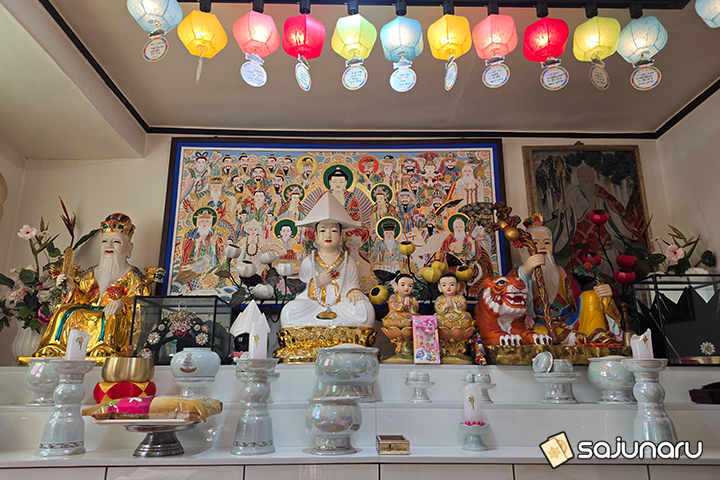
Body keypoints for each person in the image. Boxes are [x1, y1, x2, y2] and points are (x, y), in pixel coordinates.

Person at [34, 213, 157, 358]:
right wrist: (72, 287)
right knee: (64, 311)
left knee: (110, 315)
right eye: (104, 241)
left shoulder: (133, 276)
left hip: (112, 319)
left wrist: (121, 303)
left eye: (116, 242)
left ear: (129, 248)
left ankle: (104, 347)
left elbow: (140, 301)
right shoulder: (90, 274)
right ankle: (55, 347)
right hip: (88, 312)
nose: (109, 246)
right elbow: (81, 298)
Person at [518, 219, 622, 345]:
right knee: (534, 334)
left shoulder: (562, 273)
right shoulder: (517, 274)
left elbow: (579, 300)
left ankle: (596, 334)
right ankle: (573, 338)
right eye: (535, 243)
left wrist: (602, 294)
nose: (542, 247)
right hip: (540, 326)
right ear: (522, 251)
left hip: (569, 321)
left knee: (591, 296)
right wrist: (525, 272)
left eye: (547, 242)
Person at [279, 193, 374, 328]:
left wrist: (354, 292)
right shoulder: (309, 262)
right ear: (316, 237)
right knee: (289, 311)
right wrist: (317, 283)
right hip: (313, 306)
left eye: (334, 231)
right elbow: (301, 292)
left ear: (341, 237)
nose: (328, 235)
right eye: (323, 231)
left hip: (342, 306)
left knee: (365, 309)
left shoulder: (348, 261)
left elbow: (352, 285)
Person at [554, 164, 630, 270]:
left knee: (604, 249)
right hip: (580, 228)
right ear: (578, 178)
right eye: (583, 176)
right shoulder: (574, 191)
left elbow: (611, 204)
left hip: (600, 226)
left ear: (593, 177)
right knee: (580, 251)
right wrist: (569, 209)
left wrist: (599, 201)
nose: (586, 179)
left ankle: (607, 272)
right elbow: (568, 206)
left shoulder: (600, 190)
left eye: (589, 176)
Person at [380, 273, 419, 361]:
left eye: (410, 285)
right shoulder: (394, 296)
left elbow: (416, 308)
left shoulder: (412, 298)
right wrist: (403, 305)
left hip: (409, 317)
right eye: (403, 285)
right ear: (396, 286)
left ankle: (407, 350)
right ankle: (401, 350)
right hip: (398, 318)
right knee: (394, 316)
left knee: (418, 318)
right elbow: (393, 306)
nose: (406, 288)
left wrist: (411, 305)